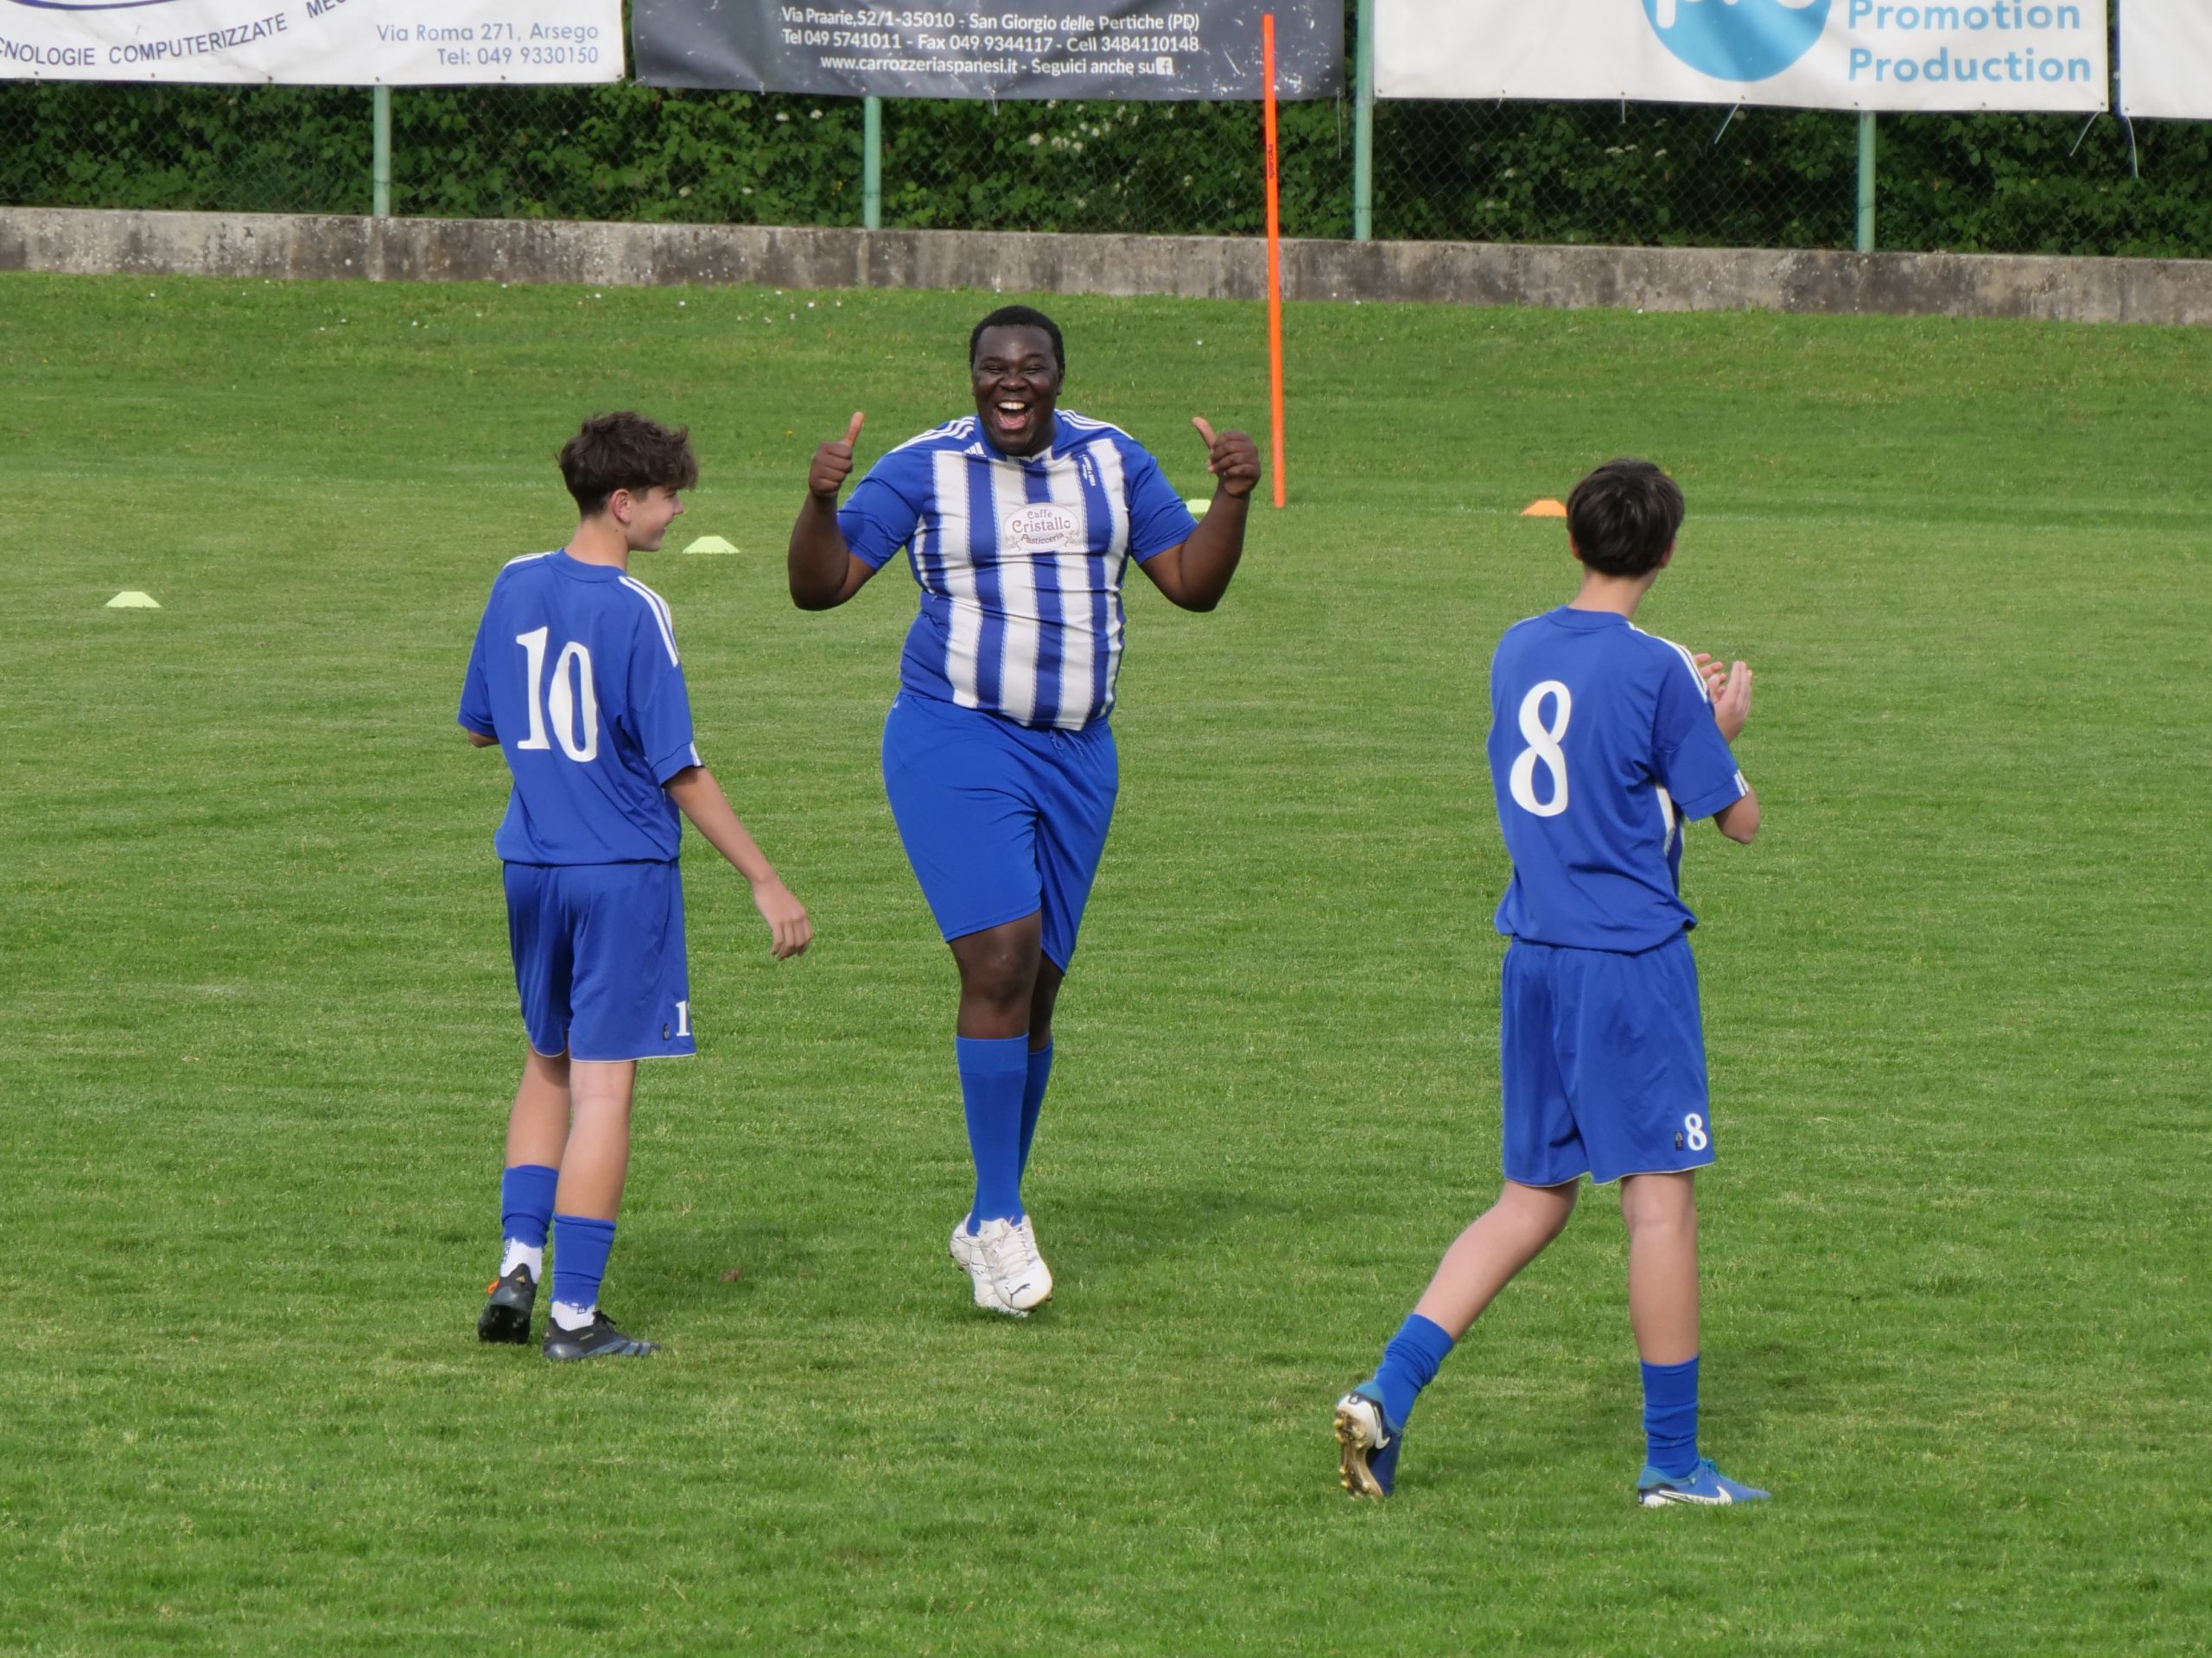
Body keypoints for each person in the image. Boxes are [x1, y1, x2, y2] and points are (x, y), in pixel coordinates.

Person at [787, 304, 1261, 1317]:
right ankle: (1000, 1218)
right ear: (972, 378)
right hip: (955, 735)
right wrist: (819, 503)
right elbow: (820, 588)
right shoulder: (924, 467)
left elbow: (1191, 584)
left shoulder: (1112, 459)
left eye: (1032, 365)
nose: (1013, 381)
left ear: (1056, 375)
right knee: (1000, 959)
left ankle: (985, 1216)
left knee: (1036, 986)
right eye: (994, 366)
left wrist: (1231, 497)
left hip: (1079, 753)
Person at [1333, 458, 1770, 1505]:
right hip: (1628, 965)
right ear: (1667, 552)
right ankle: (1673, 1463)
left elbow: (1587, 763)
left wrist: (1677, 719)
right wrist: (1717, 729)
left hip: (1534, 954)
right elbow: (1738, 820)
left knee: (1529, 1201)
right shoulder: (1661, 667)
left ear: (1571, 540)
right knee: (1659, 1206)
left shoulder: (1517, 645)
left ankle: (1387, 1389)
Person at [461, 410, 811, 1361]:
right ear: (622, 503)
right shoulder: (637, 609)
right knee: (605, 1089)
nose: (677, 509)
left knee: (547, 1059)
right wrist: (766, 878)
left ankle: (517, 1263)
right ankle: (575, 1316)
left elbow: (481, 724)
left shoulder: (513, 580)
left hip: (531, 865)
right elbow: (679, 767)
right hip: (618, 873)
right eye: (666, 496)